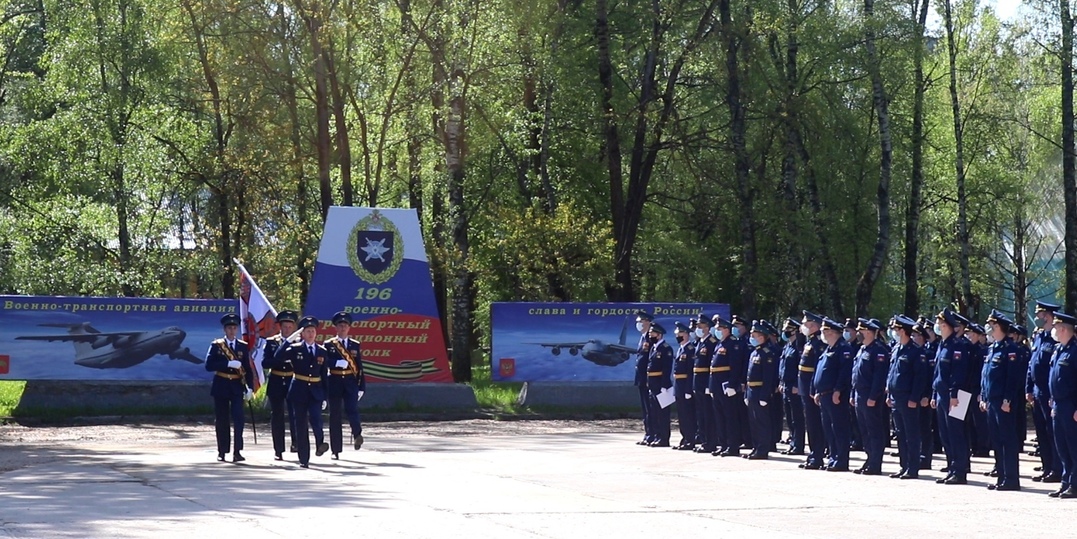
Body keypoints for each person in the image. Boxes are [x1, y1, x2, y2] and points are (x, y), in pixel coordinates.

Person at [267, 316, 329, 468]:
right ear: (302, 334)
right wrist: (288, 341)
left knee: (316, 419)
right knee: (300, 424)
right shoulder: (295, 349)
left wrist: (325, 396)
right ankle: (304, 458)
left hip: (315, 390)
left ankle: (320, 442)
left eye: (313, 331)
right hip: (299, 390)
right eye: (307, 331)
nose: (310, 334)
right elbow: (277, 357)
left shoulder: (321, 351)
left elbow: (323, 375)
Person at [978, 310, 1022, 491]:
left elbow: (1012, 379)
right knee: (996, 440)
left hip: (1003, 402)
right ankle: (1001, 476)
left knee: (1007, 440)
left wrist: (1007, 400)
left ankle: (1011, 479)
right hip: (991, 401)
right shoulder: (992, 348)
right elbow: (986, 376)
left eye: (993, 326)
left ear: (1001, 328)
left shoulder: (1011, 350)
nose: (990, 328)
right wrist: (983, 395)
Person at [204, 313, 254, 463]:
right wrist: (227, 364)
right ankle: (222, 451)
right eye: (229, 328)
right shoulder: (217, 345)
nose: (232, 331)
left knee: (239, 419)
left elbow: (248, 369)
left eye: (234, 328)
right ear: (224, 330)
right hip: (221, 385)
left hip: (237, 386)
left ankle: (237, 451)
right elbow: (209, 365)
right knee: (222, 420)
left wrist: (250, 388)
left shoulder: (242, 346)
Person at [887, 315, 929, 479]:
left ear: (903, 331)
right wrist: (889, 393)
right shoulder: (897, 349)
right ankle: (903, 465)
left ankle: (913, 468)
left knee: (911, 434)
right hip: (896, 397)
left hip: (908, 398)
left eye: (896, 330)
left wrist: (914, 397)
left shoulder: (916, 352)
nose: (894, 332)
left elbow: (920, 377)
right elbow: (892, 374)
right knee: (900, 433)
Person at [932, 309, 971, 485]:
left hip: (956, 396)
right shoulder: (943, 345)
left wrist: (954, 394)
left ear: (947, 326)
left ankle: (960, 471)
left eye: (940, 324)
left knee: (957, 434)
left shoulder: (958, 346)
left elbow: (959, 373)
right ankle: (951, 468)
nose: (937, 327)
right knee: (946, 434)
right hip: (942, 395)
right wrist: (934, 394)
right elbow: (938, 373)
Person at [324, 311, 367, 459]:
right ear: (336, 328)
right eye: (340, 325)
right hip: (334, 381)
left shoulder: (355, 345)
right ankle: (336, 449)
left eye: (345, 326)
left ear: (349, 328)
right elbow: (323, 363)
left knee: (352, 409)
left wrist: (362, 387)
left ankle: (357, 434)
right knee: (334, 415)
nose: (343, 328)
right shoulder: (329, 345)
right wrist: (336, 362)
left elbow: (360, 367)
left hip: (350, 382)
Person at [1028, 301, 1062, 483]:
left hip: (1049, 392)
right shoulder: (1039, 337)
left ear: (1047, 316)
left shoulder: (1054, 339)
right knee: (1041, 432)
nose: (1037, 319)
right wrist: (1028, 388)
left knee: (1052, 432)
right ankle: (1047, 467)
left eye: (1040, 315)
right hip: (1037, 391)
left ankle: (1057, 469)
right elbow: (1031, 364)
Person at [814, 317, 853, 472]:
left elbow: (844, 373)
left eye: (824, 331)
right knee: (829, 429)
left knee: (839, 429)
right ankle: (833, 457)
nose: (822, 334)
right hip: (824, 395)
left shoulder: (843, 349)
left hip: (835, 395)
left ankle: (841, 460)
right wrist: (817, 391)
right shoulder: (828, 349)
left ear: (832, 332)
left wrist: (837, 390)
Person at [851, 318, 889, 475]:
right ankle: (869, 459)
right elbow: (856, 375)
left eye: (860, 331)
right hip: (860, 394)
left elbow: (879, 377)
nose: (857, 334)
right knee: (864, 430)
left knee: (874, 430)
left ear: (868, 332)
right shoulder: (862, 349)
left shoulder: (878, 350)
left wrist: (873, 396)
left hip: (870, 396)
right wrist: (853, 394)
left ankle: (875, 463)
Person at [262, 310, 299, 460]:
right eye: (285, 326)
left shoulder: (298, 343)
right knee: (277, 416)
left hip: (292, 380)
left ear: (294, 328)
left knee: (295, 414)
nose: (287, 329)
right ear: (280, 327)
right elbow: (266, 362)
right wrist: (279, 360)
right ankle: (278, 448)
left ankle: (296, 443)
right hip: (276, 380)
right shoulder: (271, 342)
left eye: (290, 327)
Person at [1048, 311, 1077, 498]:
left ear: (1064, 329)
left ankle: (1075, 484)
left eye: (1057, 328)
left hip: (1071, 405)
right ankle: (1066, 481)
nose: (1054, 331)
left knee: (1074, 446)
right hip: (1058, 404)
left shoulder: (1075, 351)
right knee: (1062, 446)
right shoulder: (1059, 349)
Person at [710, 315, 746, 456]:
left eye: (719, 328)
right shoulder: (720, 344)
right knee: (720, 417)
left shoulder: (733, 344)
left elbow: (735, 366)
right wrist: (711, 386)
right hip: (717, 386)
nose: (717, 331)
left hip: (727, 386)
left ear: (726, 329)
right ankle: (723, 444)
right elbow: (713, 367)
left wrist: (732, 384)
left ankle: (732, 446)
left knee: (730, 417)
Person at [744, 321, 778, 460]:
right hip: (752, 391)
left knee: (762, 422)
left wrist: (764, 396)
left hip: (760, 392)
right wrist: (747, 393)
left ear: (762, 337)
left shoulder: (767, 353)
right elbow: (748, 375)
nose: (751, 337)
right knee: (754, 422)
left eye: (754, 335)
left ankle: (763, 449)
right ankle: (756, 447)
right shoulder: (754, 352)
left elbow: (768, 377)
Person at [798, 311, 827, 470]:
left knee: (815, 424)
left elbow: (817, 369)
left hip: (811, 388)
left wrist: (813, 389)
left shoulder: (818, 344)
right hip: (804, 388)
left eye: (805, 324)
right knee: (810, 423)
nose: (803, 327)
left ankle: (818, 456)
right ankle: (813, 455)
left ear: (813, 325)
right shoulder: (809, 342)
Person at [779, 318, 806, 456]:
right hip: (786, 386)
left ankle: (798, 445)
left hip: (794, 387)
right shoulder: (787, 346)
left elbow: (800, 369)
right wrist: (781, 383)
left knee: (797, 418)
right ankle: (792, 442)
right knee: (789, 417)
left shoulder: (799, 347)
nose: (785, 333)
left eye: (787, 331)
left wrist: (797, 384)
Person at [692, 314, 719, 453]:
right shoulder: (700, 342)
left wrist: (709, 385)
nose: (698, 328)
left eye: (700, 326)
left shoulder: (711, 342)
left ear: (707, 327)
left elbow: (711, 366)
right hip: (698, 382)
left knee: (708, 415)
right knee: (701, 414)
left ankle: (710, 442)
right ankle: (704, 440)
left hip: (705, 383)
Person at [645, 322, 674, 447]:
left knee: (662, 413)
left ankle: (664, 438)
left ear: (659, 334)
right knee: (654, 412)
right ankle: (657, 436)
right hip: (653, 384)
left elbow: (666, 368)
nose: (650, 335)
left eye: (653, 333)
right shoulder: (654, 347)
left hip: (661, 385)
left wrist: (664, 385)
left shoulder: (665, 348)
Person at [672, 321, 698, 450]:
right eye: (677, 334)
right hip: (678, 386)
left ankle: (690, 440)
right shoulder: (681, 349)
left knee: (688, 415)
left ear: (686, 334)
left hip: (685, 387)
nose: (678, 336)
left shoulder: (690, 350)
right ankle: (684, 438)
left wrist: (688, 389)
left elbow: (690, 372)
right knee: (682, 415)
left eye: (680, 333)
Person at [634, 310, 655, 446]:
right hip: (641, 378)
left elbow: (651, 360)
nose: (639, 324)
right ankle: (648, 434)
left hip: (648, 378)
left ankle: (652, 434)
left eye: (641, 322)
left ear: (647, 322)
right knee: (645, 408)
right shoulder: (642, 338)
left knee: (650, 408)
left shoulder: (650, 339)